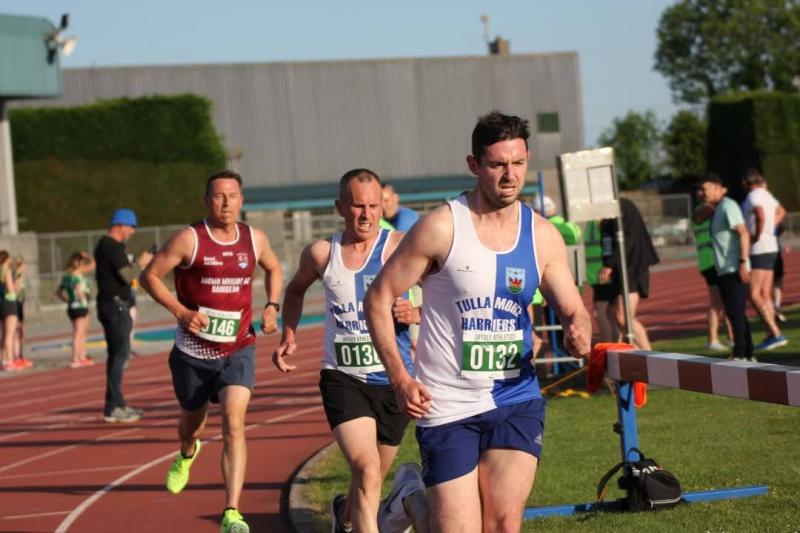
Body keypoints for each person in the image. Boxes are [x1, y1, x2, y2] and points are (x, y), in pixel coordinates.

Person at [364, 111, 592, 531]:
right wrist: (400, 377)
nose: (510, 176)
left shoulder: (542, 235)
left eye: (518, 163)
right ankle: (410, 494)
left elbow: (574, 309)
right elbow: (377, 299)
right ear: (474, 165)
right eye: (497, 165)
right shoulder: (440, 228)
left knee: (504, 522)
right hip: (447, 403)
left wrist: (580, 330)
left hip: (515, 398)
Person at [273, 168, 422, 533]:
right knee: (367, 469)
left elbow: (446, 290)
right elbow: (294, 291)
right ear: (340, 206)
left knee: (369, 483)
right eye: (358, 206)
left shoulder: (400, 246)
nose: (367, 214)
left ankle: (344, 515)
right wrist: (288, 332)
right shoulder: (323, 253)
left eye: (373, 206)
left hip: (394, 379)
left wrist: (417, 311)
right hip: (344, 378)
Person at [140, 170, 283, 533]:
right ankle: (188, 451)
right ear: (207, 201)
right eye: (219, 196)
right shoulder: (190, 240)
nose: (226, 203)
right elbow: (149, 276)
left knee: (235, 422)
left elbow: (274, 267)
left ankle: (231, 512)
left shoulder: (254, 238)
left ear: (242, 200)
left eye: (232, 196)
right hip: (193, 354)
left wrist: (271, 306)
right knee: (192, 424)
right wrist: (182, 313)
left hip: (239, 347)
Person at [94, 208, 150, 423]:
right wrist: (142, 264)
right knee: (120, 356)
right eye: (131, 227)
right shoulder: (111, 246)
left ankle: (115, 403)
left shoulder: (107, 246)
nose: (132, 232)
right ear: (120, 225)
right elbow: (128, 276)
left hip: (113, 305)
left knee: (118, 355)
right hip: (116, 306)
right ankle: (114, 405)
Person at [697, 174, 754, 361]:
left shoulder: (728, 206)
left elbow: (743, 233)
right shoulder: (717, 209)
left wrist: (743, 263)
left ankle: (740, 353)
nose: (702, 193)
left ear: (716, 187)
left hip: (733, 268)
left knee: (735, 313)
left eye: (705, 189)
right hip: (724, 269)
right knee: (734, 312)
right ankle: (747, 352)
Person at [598, 197, 659, 350]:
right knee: (612, 314)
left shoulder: (621, 207)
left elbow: (628, 239)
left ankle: (650, 356)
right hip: (619, 270)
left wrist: (610, 264)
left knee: (622, 316)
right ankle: (632, 356)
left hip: (632, 267)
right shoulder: (605, 214)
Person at [740, 168, 787, 350]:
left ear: (746, 182)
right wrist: (770, 227)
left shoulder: (753, 196)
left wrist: (758, 233)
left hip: (759, 248)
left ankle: (775, 332)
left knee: (753, 294)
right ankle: (770, 333)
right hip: (771, 246)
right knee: (765, 294)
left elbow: (759, 214)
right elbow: (781, 211)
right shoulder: (767, 195)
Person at [692, 201, 733, 351]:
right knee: (717, 303)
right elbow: (703, 212)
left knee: (725, 302)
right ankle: (713, 339)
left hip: (712, 261)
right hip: (712, 262)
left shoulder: (705, 212)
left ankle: (730, 338)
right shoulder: (703, 210)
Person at [57, 251, 96, 368]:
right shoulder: (76, 276)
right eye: (80, 261)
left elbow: (58, 292)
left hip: (73, 306)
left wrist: (67, 300)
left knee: (83, 331)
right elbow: (93, 264)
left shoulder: (67, 276)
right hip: (80, 306)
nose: (81, 264)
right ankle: (76, 357)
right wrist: (82, 298)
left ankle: (82, 355)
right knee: (79, 332)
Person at [0, 250, 20, 371]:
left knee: (3, 334)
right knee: (10, 334)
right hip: (9, 302)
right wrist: (16, 285)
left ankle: (3, 359)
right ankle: (10, 360)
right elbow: (11, 289)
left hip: (1, 302)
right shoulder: (6, 271)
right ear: (6, 260)